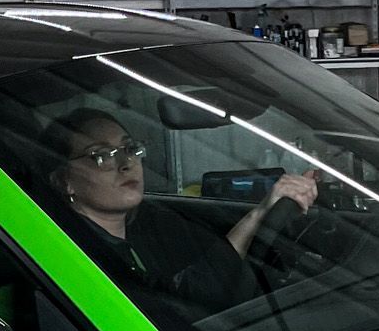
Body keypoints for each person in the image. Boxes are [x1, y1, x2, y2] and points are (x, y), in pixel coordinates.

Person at [51, 107, 318, 310]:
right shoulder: (79, 256)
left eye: (130, 148)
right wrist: (259, 214)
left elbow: (211, 258)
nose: (126, 163)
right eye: (101, 155)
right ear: (65, 181)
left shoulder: (153, 223)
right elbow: (178, 304)